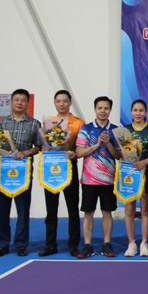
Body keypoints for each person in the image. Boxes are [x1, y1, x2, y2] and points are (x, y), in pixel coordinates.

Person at [0, 88, 42, 257]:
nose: (19, 103)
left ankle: (21, 244)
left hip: (23, 171)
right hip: (3, 172)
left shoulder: (34, 124)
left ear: (28, 103)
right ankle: (2, 244)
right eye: (16, 100)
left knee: (22, 209)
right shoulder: (1, 123)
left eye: (23, 100)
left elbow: (39, 146)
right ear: (11, 102)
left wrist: (26, 153)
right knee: (2, 209)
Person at [40, 90, 85, 258]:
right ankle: (50, 244)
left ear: (70, 102)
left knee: (72, 208)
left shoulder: (78, 123)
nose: (61, 104)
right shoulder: (50, 123)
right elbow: (43, 146)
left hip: (69, 168)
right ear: (54, 103)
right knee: (51, 209)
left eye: (64, 101)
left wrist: (74, 153)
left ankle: (73, 245)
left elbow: (81, 145)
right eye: (58, 101)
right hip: (51, 169)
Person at [75, 96, 120, 258]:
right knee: (89, 212)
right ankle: (87, 245)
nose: (103, 111)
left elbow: (119, 155)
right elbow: (79, 153)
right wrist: (97, 144)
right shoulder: (86, 129)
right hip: (89, 179)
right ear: (95, 109)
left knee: (107, 212)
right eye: (100, 108)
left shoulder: (116, 130)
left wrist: (108, 143)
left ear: (110, 110)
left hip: (108, 179)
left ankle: (107, 244)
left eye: (106, 108)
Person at [122, 99, 148, 257]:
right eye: (135, 110)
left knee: (145, 210)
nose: (138, 113)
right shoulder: (125, 130)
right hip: (130, 174)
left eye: (141, 110)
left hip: (147, 172)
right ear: (131, 112)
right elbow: (121, 153)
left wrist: (145, 161)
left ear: (145, 112)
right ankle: (131, 244)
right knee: (129, 211)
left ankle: (144, 242)